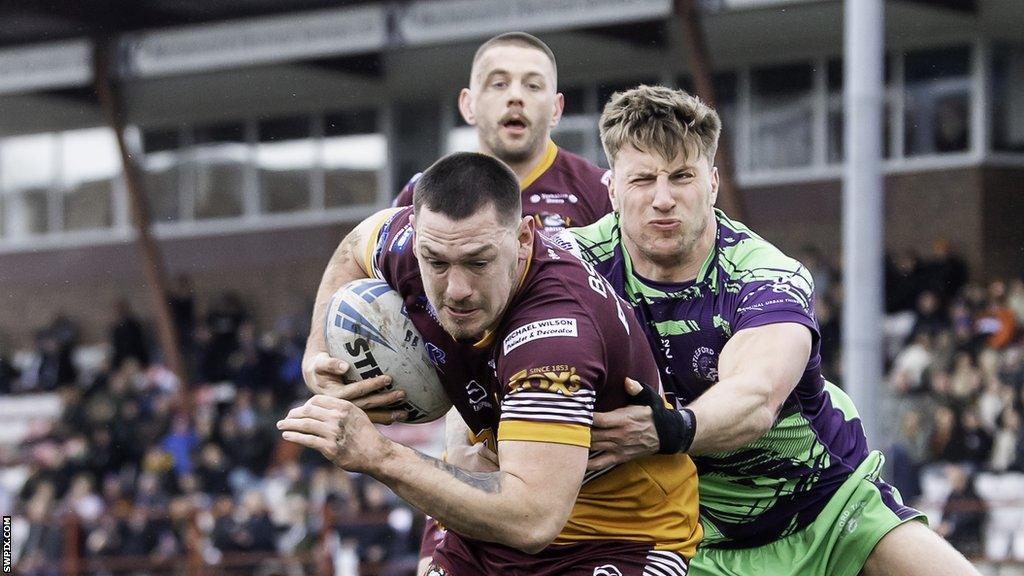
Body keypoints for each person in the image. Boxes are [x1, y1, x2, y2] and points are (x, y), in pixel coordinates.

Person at [550, 85, 981, 575]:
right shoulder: (568, 262)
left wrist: (669, 429)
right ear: (611, 189)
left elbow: (755, 396)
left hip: (827, 510)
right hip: (681, 533)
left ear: (712, 184)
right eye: (643, 179)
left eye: (682, 176)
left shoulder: (765, 273)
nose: (663, 198)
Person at [279, 152, 700, 574]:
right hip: (492, 527)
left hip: (617, 539)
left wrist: (379, 456)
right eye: (437, 263)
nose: (456, 289)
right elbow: (355, 245)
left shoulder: (555, 333)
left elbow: (532, 518)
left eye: (478, 262)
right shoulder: (414, 244)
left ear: (523, 239)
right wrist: (317, 354)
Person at [391, 31, 612, 235]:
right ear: (468, 105)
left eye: (533, 85)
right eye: (499, 84)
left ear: (556, 109)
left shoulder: (603, 192)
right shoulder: (423, 191)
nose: (515, 96)